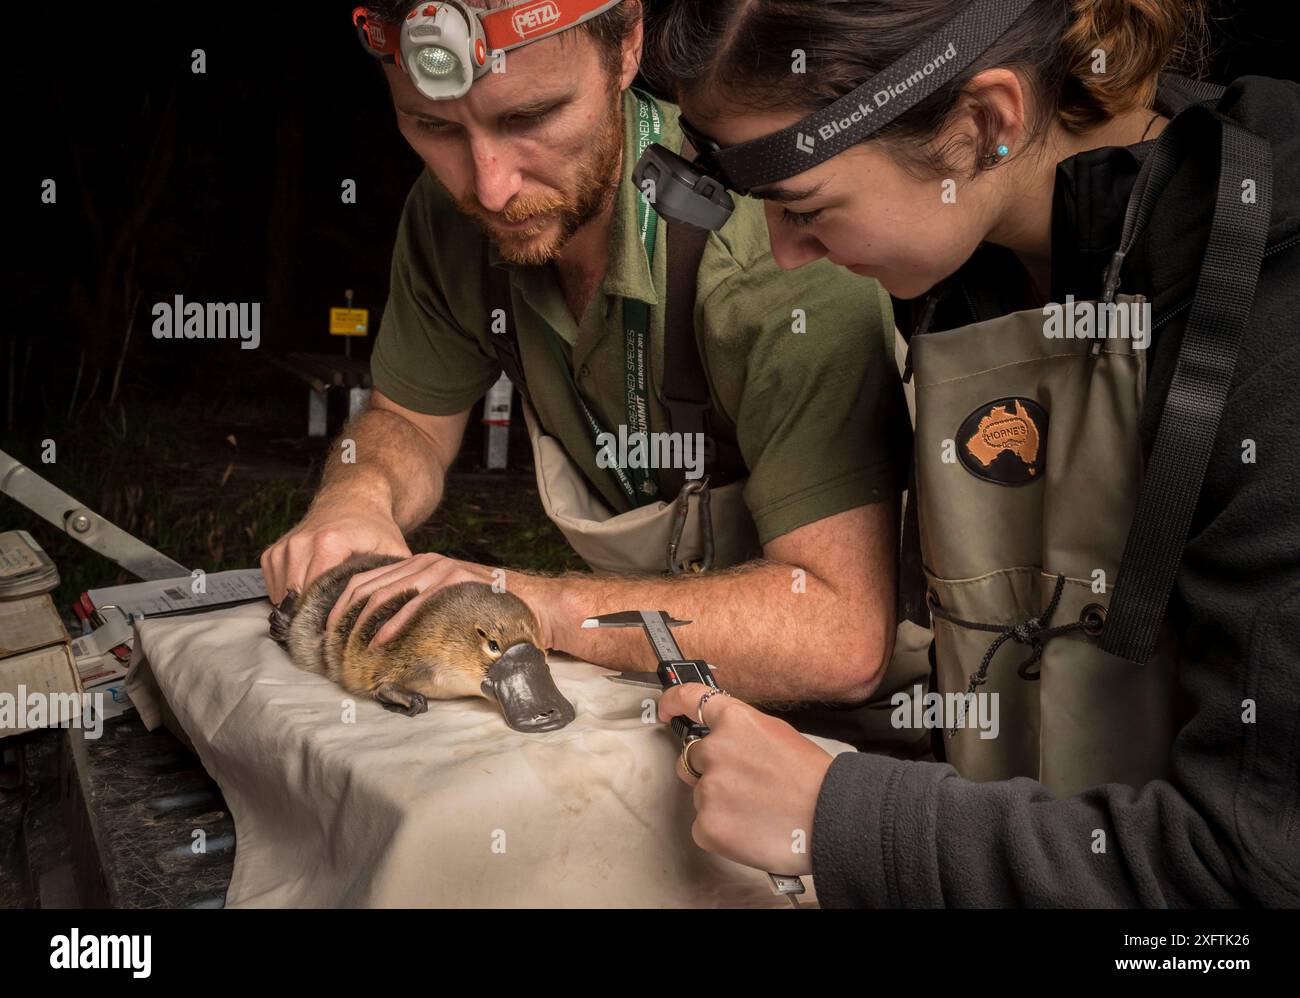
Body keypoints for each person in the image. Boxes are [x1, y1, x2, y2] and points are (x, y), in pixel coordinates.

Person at [639, 0, 1300, 905]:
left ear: (984, 124)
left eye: (806, 208)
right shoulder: (969, 270)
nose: (789, 258)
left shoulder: (1274, 331)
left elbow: (1242, 884)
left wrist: (843, 818)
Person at [260, 0, 918, 713]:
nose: (490, 186)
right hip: (648, 678)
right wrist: (356, 498)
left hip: (875, 721)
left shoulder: (775, 245)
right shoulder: (453, 216)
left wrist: (534, 609)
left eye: (532, 116)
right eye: (434, 126)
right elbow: (410, 423)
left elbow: (839, 637)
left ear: (628, 45)